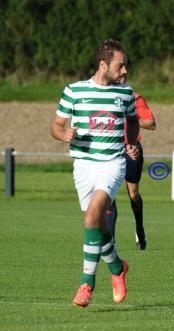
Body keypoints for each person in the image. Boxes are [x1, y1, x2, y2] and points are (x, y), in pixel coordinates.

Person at [50, 39, 139, 307]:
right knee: (96, 227)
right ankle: (117, 267)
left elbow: (133, 121)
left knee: (92, 216)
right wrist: (63, 134)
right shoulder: (74, 91)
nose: (124, 71)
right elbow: (56, 125)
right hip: (83, 166)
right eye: (120, 66)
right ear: (104, 64)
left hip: (112, 163)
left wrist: (130, 143)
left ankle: (86, 284)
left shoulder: (125, 94)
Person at [106, 73, 157, 250]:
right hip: (111, 150)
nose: (121, 77)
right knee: (108, 193)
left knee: (133, 194)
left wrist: (129, 117)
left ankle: (139, 229)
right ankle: (111, 240)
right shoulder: (104, 97)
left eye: (124, 76)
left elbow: (151, 123)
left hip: (132, 150)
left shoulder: (134, 97)